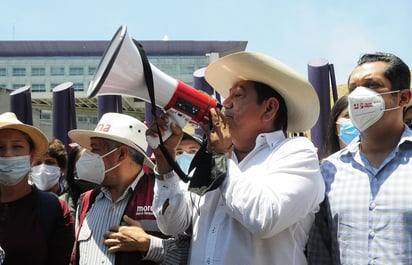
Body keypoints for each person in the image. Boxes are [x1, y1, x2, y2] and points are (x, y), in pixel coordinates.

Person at [147, 51, 325, 265]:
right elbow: (172, 225)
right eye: (227, 95)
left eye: (238, 95)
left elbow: (265, 218)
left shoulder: (296, 152)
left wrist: (222, 157)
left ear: (269, 109)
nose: (225, 104)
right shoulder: (212, 156)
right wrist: (165, 162)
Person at [307, 52, 412, 264]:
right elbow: (320, 252)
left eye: (371, 86)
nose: (359, 96)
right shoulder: (329, 171)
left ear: (403, 98)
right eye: (354, 89)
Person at [68, 112, 189, 265]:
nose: (87, 156)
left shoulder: (164, 194)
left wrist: (149, 245)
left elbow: (188, 255)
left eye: (95, 149)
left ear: (121, 154)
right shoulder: (87, 200)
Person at [0, 112, 75, 265]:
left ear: (31, 155)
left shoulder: (54, 209)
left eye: (17, 146)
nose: (8, 154)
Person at [63, 142, 99, 216]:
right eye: (83, 164)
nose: (88, 168)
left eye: (91, 162)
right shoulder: (63, 203)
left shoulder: (108, 199)